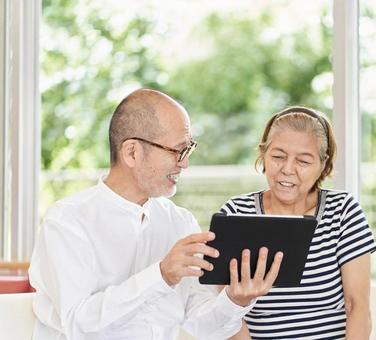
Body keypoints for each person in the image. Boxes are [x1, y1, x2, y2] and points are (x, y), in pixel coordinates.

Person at [28, 88, 283, 340]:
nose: (185, 163)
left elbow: (203, 328)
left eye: (188, 149)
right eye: (177, 151)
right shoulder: (67, 221)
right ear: (132, 152)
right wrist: (161, 276)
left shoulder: (181, 222)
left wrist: (236, 300)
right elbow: (78, 325)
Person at [221, 106, 376, 340]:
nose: (287, 169)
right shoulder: (235, 213)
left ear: (323, 166)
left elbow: (358, 307)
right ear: (263, 154)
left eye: (303, 161)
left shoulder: (343, 212)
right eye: (278, 156)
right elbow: (228, 316)